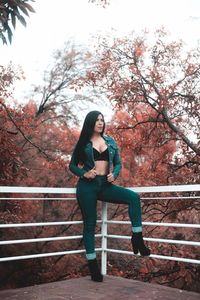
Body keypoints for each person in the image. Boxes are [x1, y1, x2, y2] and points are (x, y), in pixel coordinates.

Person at [69, 110, 150, 282]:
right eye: (97, 120)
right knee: (90, 225)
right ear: (90, 122)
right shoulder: (83, 142)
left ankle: (137, 238)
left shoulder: (110, 141)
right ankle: (93, 267)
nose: (100, 123)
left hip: (105, 185)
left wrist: (115, 174)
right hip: (87, 188)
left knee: (134, 198)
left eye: (102, 120)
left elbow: (118, 163)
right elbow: (72, 165)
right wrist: (84, 174)